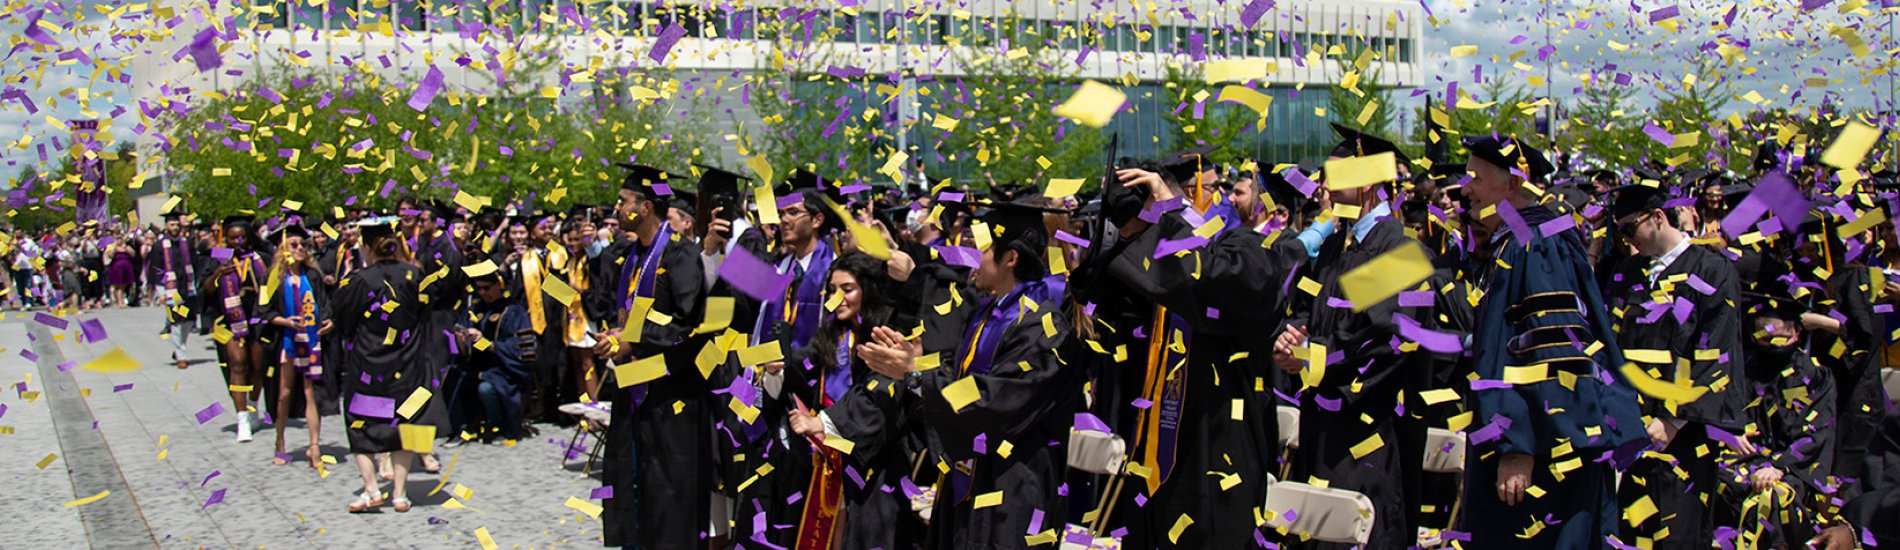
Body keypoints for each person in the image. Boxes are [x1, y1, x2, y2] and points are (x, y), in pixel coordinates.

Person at [1083, 150, 1305, 547]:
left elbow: (1211, 276)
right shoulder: (1183, 253)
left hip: (1218, 447)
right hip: (1160, 446)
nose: (1228, 198)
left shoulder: (1256, 251)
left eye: (1236, 191)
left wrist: (1170, 210)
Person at [1453, 135, 1647, 548]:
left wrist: (1519, 446)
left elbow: (1555, 350)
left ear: (1512, 186)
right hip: (1531, 444)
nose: (1464, 189)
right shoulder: (1520, 240)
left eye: (1475, 178)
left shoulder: (1536, 246)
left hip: (1543, 455)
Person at [861, 198, 1082, 548]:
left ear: (1011, 259)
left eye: (980, 248)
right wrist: (915, 364)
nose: (969, 257)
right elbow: (963, 381)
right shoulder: (988, 312)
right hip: (970, 477)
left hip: (1013, 488)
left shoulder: (1042, 325)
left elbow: (995, 401)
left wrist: (918, 375)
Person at [1271, 124, 1431, 549]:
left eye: (1335, 176)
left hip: (1370, 428)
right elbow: (1308, 310)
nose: (1322, 186)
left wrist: (1311, 357)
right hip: (1323, 419)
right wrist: (1291, 337)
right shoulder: (1334, 246)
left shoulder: (1399, 250)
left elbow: (1382, 340)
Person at [1604, 181, 1749, 549]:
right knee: (1630, 531)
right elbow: (1612, 345)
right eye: (1617, 231)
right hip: (1631, 428)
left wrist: (1672, 420)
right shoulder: (1625, 273)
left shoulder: (1711, 270)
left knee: (1677, 529)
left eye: (1629, 229)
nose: (1625, 240)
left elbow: (1715, 350)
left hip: (1684, 435)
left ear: (1657, 218)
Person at [593, 163, 712, 549]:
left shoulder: (680, 256)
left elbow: (690, 323)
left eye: (624, 200)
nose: (616, 206)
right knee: (630, 477)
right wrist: (616, 335)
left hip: (672, 392)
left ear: (645, 207)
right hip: (633, 383)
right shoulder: (631, 256)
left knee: (669, 486)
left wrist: (633, 339)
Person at [730, 170, 844, 546]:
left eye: (793, 212)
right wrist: (715, 251)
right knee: (761, 496)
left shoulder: (834, 271)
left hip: (807, 403)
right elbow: (728, 304)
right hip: (767, 397)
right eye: (781, 213)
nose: (783, 220)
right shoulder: (779, 266)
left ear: (817, 219)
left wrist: (791, 364)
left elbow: (833, 341)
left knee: (797, 502)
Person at [774, 252, 917, 550]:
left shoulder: (884, 335)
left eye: (848, 289)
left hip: (872, 460)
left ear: (868, 290)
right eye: (833, 290)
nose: (839, 298)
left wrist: (824, 422)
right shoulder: (831, 334)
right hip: (827, 456)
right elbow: (801, 366)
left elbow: (878, 394)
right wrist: (775, 364)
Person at [328, 216, 445, 513]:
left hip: (369, 365)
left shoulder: (359, 280)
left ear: (366, 247)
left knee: (362, 423)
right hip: (407, 363)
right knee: (404, 424)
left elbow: (343, 321)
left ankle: (371, 489)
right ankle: (400, 494)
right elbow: (425, 312)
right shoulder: (414, 275)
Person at [1724, 291, 1839, 547]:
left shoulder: (1816, 376)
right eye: (1765, 339)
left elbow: (1818, 431)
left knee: (1775, 498)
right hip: (1745, 456)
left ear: (1797, 334)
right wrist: (1730, 431)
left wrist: (1780, 466)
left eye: (1781, 338)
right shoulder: (1743, 367)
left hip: (1795, 465)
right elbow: (1724, 408)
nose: (1774, 345)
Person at [256, 224, 330, 468]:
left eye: (302, 245)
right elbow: (262, 312)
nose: (300, 249)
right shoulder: (272, 277)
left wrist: (329, 321)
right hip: (287, 342)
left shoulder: (313, 276)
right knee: (284, 394)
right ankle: (280, 441)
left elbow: (324, 305)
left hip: (311, 341)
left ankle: (314, 447)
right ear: (282, 249)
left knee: (311, 394)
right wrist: (284, 321)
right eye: (294, 245)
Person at [206, 215, 270, 443]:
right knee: (238, 364)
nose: (237, 242)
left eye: (242, 237)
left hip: (257, 318)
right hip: (230, 322)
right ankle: (242, 418)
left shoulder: (260, 258)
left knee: (257, 367)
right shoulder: (219, 258)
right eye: (232, 238)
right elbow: (205, 290)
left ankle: (252, 405)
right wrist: (217, 275)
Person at [449, 271, 535, 443]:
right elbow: (464, 353)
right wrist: (462, 343)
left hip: (505, 369)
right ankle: (463, 428)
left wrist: (488, 344)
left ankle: (499, 427)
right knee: (452, 378)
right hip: (477, 366)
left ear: (498, 286)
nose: (482, 293)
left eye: (487, 288)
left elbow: (523, 349)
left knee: (486, 388)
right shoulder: (474, 309)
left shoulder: (514, 311)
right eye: (478, 288)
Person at [148, 212, 200, 369]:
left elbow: (195, 263)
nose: (175, 227)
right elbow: (157, 269)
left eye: (177, 225)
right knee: (177, 321)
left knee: (189, 321)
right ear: (166, 226)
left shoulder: (187, 243)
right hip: (172, 289)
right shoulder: (158, 246)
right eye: (172, 225)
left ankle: (180, 348)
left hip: (188, 287)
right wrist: (161, 292)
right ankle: (181, 354)